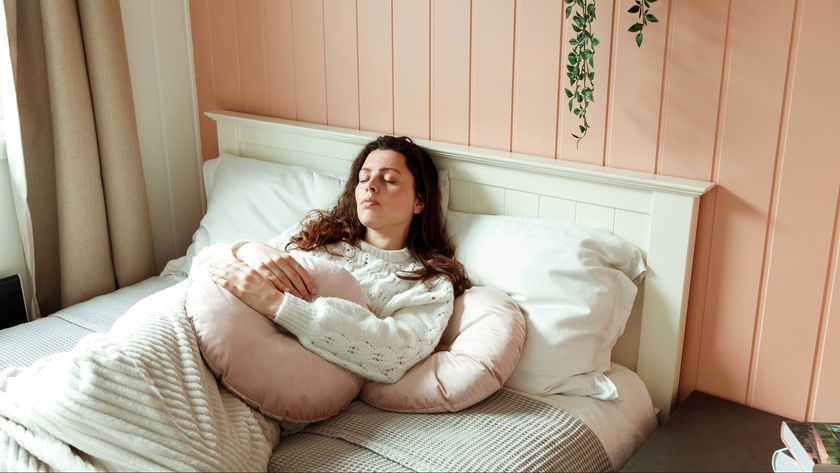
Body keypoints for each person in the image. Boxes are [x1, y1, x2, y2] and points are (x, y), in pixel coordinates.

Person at [207, 135, 471, 383]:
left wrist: (277, 305)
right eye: (363, 178)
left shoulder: (427, 284)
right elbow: (207, 263)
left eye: (389, 180)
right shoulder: (317, 233)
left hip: (268, 371)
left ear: (419, 202)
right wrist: (246, 249)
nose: (371, 186)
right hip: (210, 320)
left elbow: (393, 355)